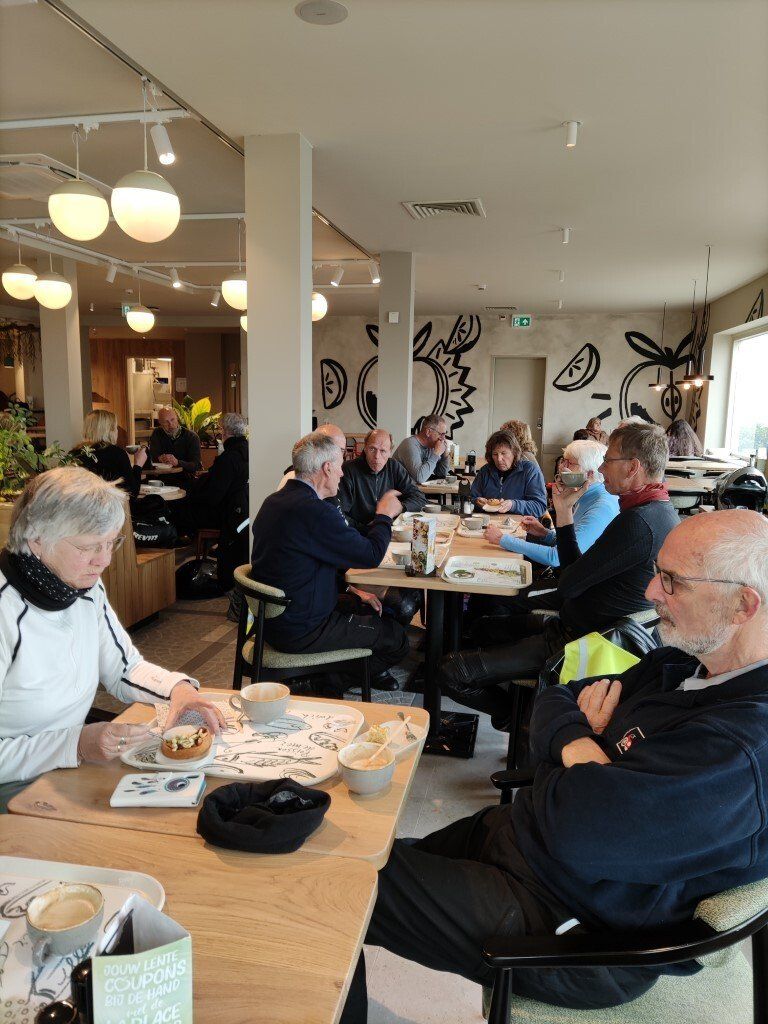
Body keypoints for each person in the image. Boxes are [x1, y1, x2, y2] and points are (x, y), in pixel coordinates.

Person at [340, 509, 768, 1023]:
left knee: (334, 890)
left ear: (743, 605)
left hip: (576, 928)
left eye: (672, 581)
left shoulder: (740, 747)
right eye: (658, 572)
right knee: (351, 858)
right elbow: (556, 697)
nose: (651, 591)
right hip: (524, 839)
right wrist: (582, 748)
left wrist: (566, 756)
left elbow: (580, 831)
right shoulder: (680, 665)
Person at [0, 468, 224, 810]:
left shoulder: (82, 586)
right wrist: (73, 745)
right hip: (14, 786)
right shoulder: (6, 610)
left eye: (111, 543)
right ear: (37, 539)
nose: (104, 560)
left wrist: (179, 691)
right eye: (89, 547)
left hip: (65, 767)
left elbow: (123, 668)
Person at [441, 423, 680, 725]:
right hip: (577, 624)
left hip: (582, 643)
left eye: (608, 460)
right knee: (481, 629)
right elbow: (575, 573)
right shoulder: (659, 511)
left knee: (451, 672)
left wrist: (564, 516)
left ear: (633, 467)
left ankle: (528, 721)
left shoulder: (637, 523)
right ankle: (528, 707)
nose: (601, 469)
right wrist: (564, 513)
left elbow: (568, 584)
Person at [250, 432, 410, 692]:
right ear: (327, 468)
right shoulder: (315, 511)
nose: (342, 474)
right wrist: (384, 516)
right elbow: (370, 555)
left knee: (370, 609)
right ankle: (317, 683)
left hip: (274, 620)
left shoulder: (273, 502)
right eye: (339, 466)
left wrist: (350, 589)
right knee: (397, 639)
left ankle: (323, 672)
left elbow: (303, 565)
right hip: (304, 629)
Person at [485, 439, 618, 568]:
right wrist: (544, 533)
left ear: (589, 474)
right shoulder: (586, 495)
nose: (561, 467)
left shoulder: (601, 507)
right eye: (563, 461)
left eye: (569, 463)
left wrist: (502, 539)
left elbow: (556, 557)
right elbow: (570, 544)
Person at [338, 429, 425, 528]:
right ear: (365, 448)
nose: (377, 456)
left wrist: (400, 507)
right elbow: (339, 515)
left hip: (389, 530)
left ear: (390, 452)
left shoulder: (394, 467)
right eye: (372, 449)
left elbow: (419, 498)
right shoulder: (348, 470)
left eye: (383, 451)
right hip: (358, 533)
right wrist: (365, 528)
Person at [470, 430, 547, 517]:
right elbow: (470, 499)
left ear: (514, 452)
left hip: (519, 524)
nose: (499, 459)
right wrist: (477, 502)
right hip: (488, 522)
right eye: (495, 454)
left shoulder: (530, 470)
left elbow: (539, 506)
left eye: (503, 453)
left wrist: (513, 505)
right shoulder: (485, 471)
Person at [72, 410, 147, 498]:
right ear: (110, 430)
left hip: (83, 504)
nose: (117, 431)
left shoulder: (74, 453)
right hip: (111, 505)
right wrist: (138, 465)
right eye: (115, 427)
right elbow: (132, 492)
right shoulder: (117, 454)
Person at [393, 414, 450, 483]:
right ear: (428, 432)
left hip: (414, 488)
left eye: (444, 434)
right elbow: (420, 478)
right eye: (441, 434)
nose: (443, 438)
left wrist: (445, 456)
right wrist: (436, 454)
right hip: (397, 488)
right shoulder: (410, 444)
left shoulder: (431, 446)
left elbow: (441, 474)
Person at [148, 406, 202, 474]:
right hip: (160, 475)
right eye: (166, 422)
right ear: (160, 423)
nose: (170, 424)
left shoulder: (191, 436)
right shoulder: (157, 433)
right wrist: (159, 458)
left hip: (184, 476)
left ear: (177, 418)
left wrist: (178, 462)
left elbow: (197, 465)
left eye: (172, 419)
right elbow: (151, 457)